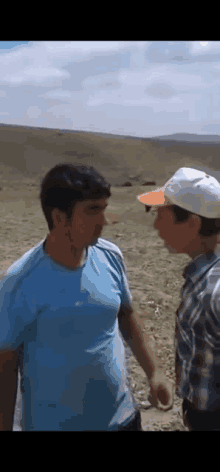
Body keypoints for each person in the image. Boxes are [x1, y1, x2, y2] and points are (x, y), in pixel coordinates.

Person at [0, 163, 173, 432]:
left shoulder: (110, 256)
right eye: (93, 210)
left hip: (124, 420)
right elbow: (6, 366)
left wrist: (154, 371)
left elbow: (126, 314)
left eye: (104, 209)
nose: (104, 221)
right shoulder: (20, 280)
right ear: (59, 218)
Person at [137, 167, 220, 431]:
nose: (155, 225)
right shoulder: (201, 277)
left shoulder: (213, 292)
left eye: (161, 215)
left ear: (193, 223)